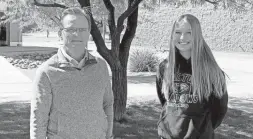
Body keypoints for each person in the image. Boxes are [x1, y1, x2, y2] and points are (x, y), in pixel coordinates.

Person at [30, 7, 114, 139]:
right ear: (60, 33)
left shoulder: (101, 66)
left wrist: (108, 134)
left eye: (82, 30)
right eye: (71, 29)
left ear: (88, 33)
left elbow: (107, 104)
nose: (77, 34)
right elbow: (39, 119)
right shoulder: (47, 72)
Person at [156, 14, 228, 139]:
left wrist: (201, 130)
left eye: (189, 32)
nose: (182, 37)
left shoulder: (211, 71)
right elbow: (164, 101)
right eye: (178, 32)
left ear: (197, 35)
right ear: (172, 35)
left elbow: (219, 110)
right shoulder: (165, 67)